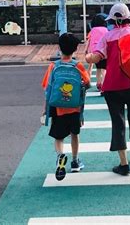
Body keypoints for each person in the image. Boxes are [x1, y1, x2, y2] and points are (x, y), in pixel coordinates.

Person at [85, 3, 130, 176]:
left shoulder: (107, 36)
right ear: (129, 18)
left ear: (111, 19)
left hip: (112, 86)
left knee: (118, 123)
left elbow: (96, 57)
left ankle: (123, 163)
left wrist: (88, 56)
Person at [41, 33, 90, 181]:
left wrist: (45, 110)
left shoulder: (53, 66)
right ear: (75, 49)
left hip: (58, 109)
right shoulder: (78, 66)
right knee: (75, 134)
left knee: (59, 137)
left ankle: (60, 156)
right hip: (75, 107)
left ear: (59, 48)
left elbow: (47, 88)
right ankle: (75, 161)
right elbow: (87, 83)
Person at [85, 14, 108, 91]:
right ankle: (104, 84)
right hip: (104, 52)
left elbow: (89, 41)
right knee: (104, 69)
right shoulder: (105, 30)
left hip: (95, 52)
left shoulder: (93, 30)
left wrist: (86, 50)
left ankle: (98, 83)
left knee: (98, 68)